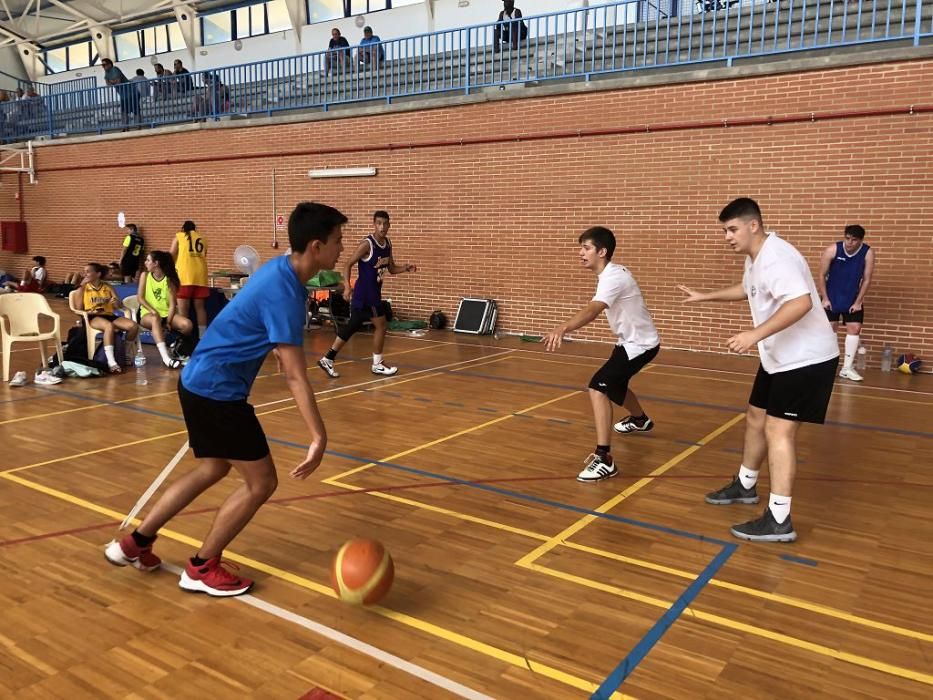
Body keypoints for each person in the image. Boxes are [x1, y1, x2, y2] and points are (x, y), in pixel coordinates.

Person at [105, 202, 346, 596]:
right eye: (337, 241)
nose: (341, 248)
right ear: (316, 247)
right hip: (217, 392)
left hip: (199, 381)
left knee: (212, 468)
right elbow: (293, 374)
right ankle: (201, 567)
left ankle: (134, 543)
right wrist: (318, 437)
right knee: (261, 482)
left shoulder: (280, 270)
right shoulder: (284, 292)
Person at [679, 198, 839, 543]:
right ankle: (745, 485)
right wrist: (705, 297)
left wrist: (755, 333)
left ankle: (779, 518)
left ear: (753, 225)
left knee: (778, 431)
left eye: (732, 229)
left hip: (806, 359)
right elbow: (748, 290)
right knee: (755, 416)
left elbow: (800, 302)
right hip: (780, 358)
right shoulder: (757, 259)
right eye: (724, 230)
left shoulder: (777, 257)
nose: (727, 236)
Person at [542, 226, 661, 482]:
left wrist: (563, 327)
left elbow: (593, 309)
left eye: (586, 248)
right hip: (630, 342)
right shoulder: (612, 273)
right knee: (615, 387)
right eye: (581, 248)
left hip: (641, 344)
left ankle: (604, 458)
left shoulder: (613, 278)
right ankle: (640, 420)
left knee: (598, 387)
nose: (580, 253)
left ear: (602, 251)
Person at [318, 210, 417, 378]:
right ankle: (377, 364)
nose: (382, 227)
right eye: (379, 223)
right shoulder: (367, 244)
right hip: (366, 294)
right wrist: (348, 287)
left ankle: (328, 358)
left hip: (373, 293)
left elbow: (391, 269)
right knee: (381, 325)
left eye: (385, 223)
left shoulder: (388, 244)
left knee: (352, 327)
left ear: (389, 225)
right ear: (374, 224)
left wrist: (405, 268)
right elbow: (347, 264)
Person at [816, 224, 875, 382]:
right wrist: (825, 298)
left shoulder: (867, 253)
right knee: (830, 330)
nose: (849, 242)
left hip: (852, 298)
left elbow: (867, 279)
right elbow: (821, 275)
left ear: (860, 240)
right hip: (832, 296)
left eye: (854, 240)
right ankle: (828, 366)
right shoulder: (832, 250)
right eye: (847, 238)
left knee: (854, 328)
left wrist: (859, 301)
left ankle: (847, 368)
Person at [75, 262, 139, 373]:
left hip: (109, 315)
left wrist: (115, 302)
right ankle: (111, 362)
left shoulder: (107, 286)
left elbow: (118, 306)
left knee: (133, 326)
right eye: (84, 272)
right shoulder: (83, 288)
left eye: (88, 272)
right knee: (109, 326)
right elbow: (78, 310)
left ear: (98, 274)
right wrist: (91, 311)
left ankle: (127, 354)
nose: (85, 274)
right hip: (93, 317)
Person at [137, 251, 194, 369]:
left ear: (156, 263)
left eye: (148, 260)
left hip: (165, 313)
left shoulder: (168, 280)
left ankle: (176, 349)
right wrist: (153, 310)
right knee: (155, 318)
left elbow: (173, 305)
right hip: (147, 313)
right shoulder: (145, 275)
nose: (145, 263)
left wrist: (168, 322)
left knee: (187, 324)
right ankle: (165, 358)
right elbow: (140, 298)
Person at [170, 220, 209, 338]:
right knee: (200, 308)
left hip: (185, 275)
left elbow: (171, 254)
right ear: (195, 229)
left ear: (183, 228)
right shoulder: (203, 238)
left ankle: (185, 338)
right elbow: (204, 255)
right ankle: (202, 337)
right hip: (201, 275)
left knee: (183, 309)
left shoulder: (179, 236)